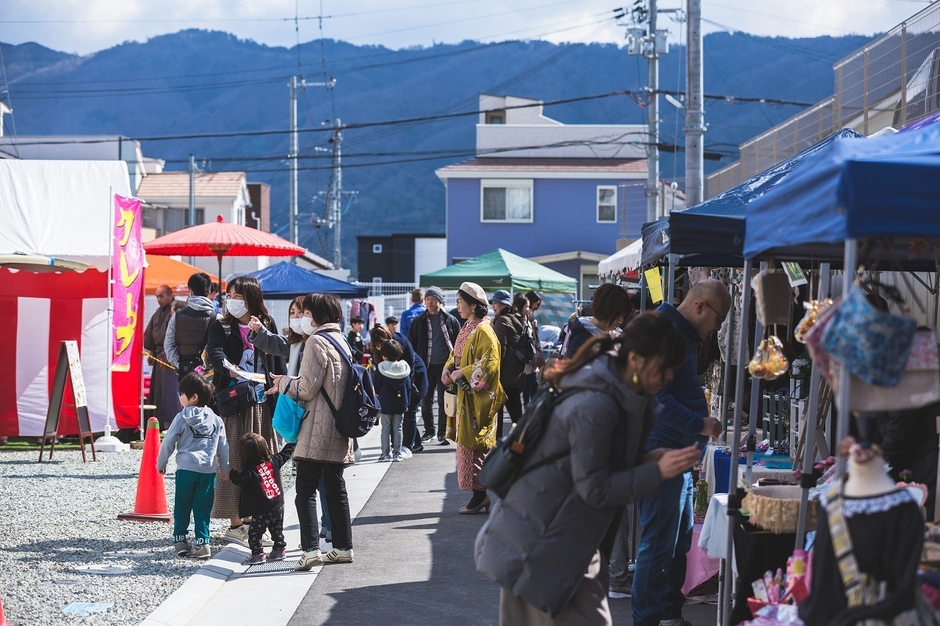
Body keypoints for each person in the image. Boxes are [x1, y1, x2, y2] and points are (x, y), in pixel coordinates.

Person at [475, 313, 701, 625]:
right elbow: (594, 488)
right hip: (540, 551)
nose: (669, 377)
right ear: (635, 359)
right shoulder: (598, 403)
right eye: (665, 367)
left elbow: (594, 464)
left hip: (561, 545)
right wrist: (655, 471)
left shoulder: (611, 389)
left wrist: (648, 460)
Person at [632, 279, 730, 626]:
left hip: (677, 455)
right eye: (718, 321)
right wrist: (699, 423)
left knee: (675, 544)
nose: (715, 330)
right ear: (701, 306)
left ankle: (669, 616)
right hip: (663, 454)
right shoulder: (664, 330)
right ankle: (648, 620)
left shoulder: (678, 332)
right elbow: (655, 397)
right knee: (659, 546)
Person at [270, 293, 356, 570]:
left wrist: (283, 381)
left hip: (317, 426)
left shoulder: (316, 341)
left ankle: (310, 551)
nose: (303, 317)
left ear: (317, 315)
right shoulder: (340, 340)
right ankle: (343, 547)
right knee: (335, 489)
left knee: (305, 489)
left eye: (306, 312)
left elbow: (306, 388)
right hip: (338, 427)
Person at [205, 276, 286, 547]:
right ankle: (236, 522)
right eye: (230, 295)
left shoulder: (266, 323)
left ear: (251, 298)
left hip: (263, 401)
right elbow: (213, 352)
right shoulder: (221, 324)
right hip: (234, 402)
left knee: (264, 458)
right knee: (234, 458)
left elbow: (277, 357)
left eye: (237, 295)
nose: (232, 300)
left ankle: (259, 518)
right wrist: (227, 367)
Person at [441, 281, 506, 514]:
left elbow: (490, 365)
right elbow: (455, 353)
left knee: (475, 445)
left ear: (473, 305)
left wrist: (463, 372)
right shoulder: (468, 325)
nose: (457, 306)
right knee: (468, 445)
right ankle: (479, 496)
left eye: (460, 302)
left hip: (476, 398)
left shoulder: (484, 329)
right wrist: (448, 368)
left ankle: (480, 496)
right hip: (466, 396)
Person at [156, 372, 231, 560]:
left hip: (185, 469)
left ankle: (180, 542)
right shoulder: (216, 420)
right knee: (202, 509)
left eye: (181, 394)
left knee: (182, 506)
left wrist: (161, 463)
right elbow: (223, 447)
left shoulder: (181, 418)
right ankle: (203, 544)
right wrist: (224, 469)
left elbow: (168, 443)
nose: (179, 397)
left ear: (193, 397)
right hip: (207, 471)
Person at [229, 433, 295, 565]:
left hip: (261, 510)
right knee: (277, 529)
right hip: (277, 506)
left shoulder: (249, 471)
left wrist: (229, 472)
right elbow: (286, 453)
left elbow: (238, 480)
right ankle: (279, 549)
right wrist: (293, 441)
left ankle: (258, 555)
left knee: (255, 533)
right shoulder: (274, 461)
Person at [408, 285, 460, 445]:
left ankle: (442, 433)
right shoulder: (419, 321)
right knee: (426, 400)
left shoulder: (450, 320)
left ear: (440, 301)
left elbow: (459, 343)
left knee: (445, 401)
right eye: (428, 299)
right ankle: (429, 430)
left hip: (446, 367)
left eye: (433, 299)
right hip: (426, 366)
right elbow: (411, 344)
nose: (429, 302)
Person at [370, 325, 427, 453]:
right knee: (402, 415)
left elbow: (410, 367)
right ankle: (415, 442)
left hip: (414, 378)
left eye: (380, 345)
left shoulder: (400, 342)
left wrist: (407, 388)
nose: (378, 349)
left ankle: (407, 446)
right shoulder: (381, 352)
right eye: (376, 347)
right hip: (397, 382)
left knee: (409, 411)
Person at [490, 290, 528, 439]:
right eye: (493, 303)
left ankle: (498, 446)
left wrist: (493, 373)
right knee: (516, 414)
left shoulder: (501, 321)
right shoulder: (517, 318)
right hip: (516, 374)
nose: (493, 306)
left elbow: (500, 350)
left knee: (497, 416)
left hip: (503, 376)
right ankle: (524, 443)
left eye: (496, 303)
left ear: (504, 305)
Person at [166, 272, 216, 376]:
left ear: (190, 291)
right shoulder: (217, 318)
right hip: (210, 376)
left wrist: (180, 364)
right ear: (209, 291)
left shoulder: (177, 316)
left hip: (185, 372)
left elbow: (168, 345)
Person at [564, 283, 633, 359]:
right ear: (604, 309)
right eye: (616, 315)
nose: (620, 320)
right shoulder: (582, 338)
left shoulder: (616, 333)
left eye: (623, 315)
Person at [145, 284, 180, 430]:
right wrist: (152, 352)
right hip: (160, 356)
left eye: (161, 296)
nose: (159, 300)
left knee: (171, 391)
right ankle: (158, 423)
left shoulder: (176, 310)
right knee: (158, 391)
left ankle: (172, 423)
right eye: (157, 297)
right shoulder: (158, 312)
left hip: (171, 357)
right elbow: (150, 334)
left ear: (170, 295)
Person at [374, 339, 412, 462]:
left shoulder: (381, 368)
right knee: (398, 428)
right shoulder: (404, 367)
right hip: (400, 404)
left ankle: (385, 454)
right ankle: (397, 453)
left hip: (385, 404)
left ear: (384, 354)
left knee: (385, 428)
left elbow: (376, 387)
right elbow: (408, 387)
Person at [523, 290, 544, 406]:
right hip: (530, 349)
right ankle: (530, 403)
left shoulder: (530, 313)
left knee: (530, 378)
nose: (536, 306)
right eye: (536, 303)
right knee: (530, 378)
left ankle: (528, 402)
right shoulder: (526, 314)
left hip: (532, 348)